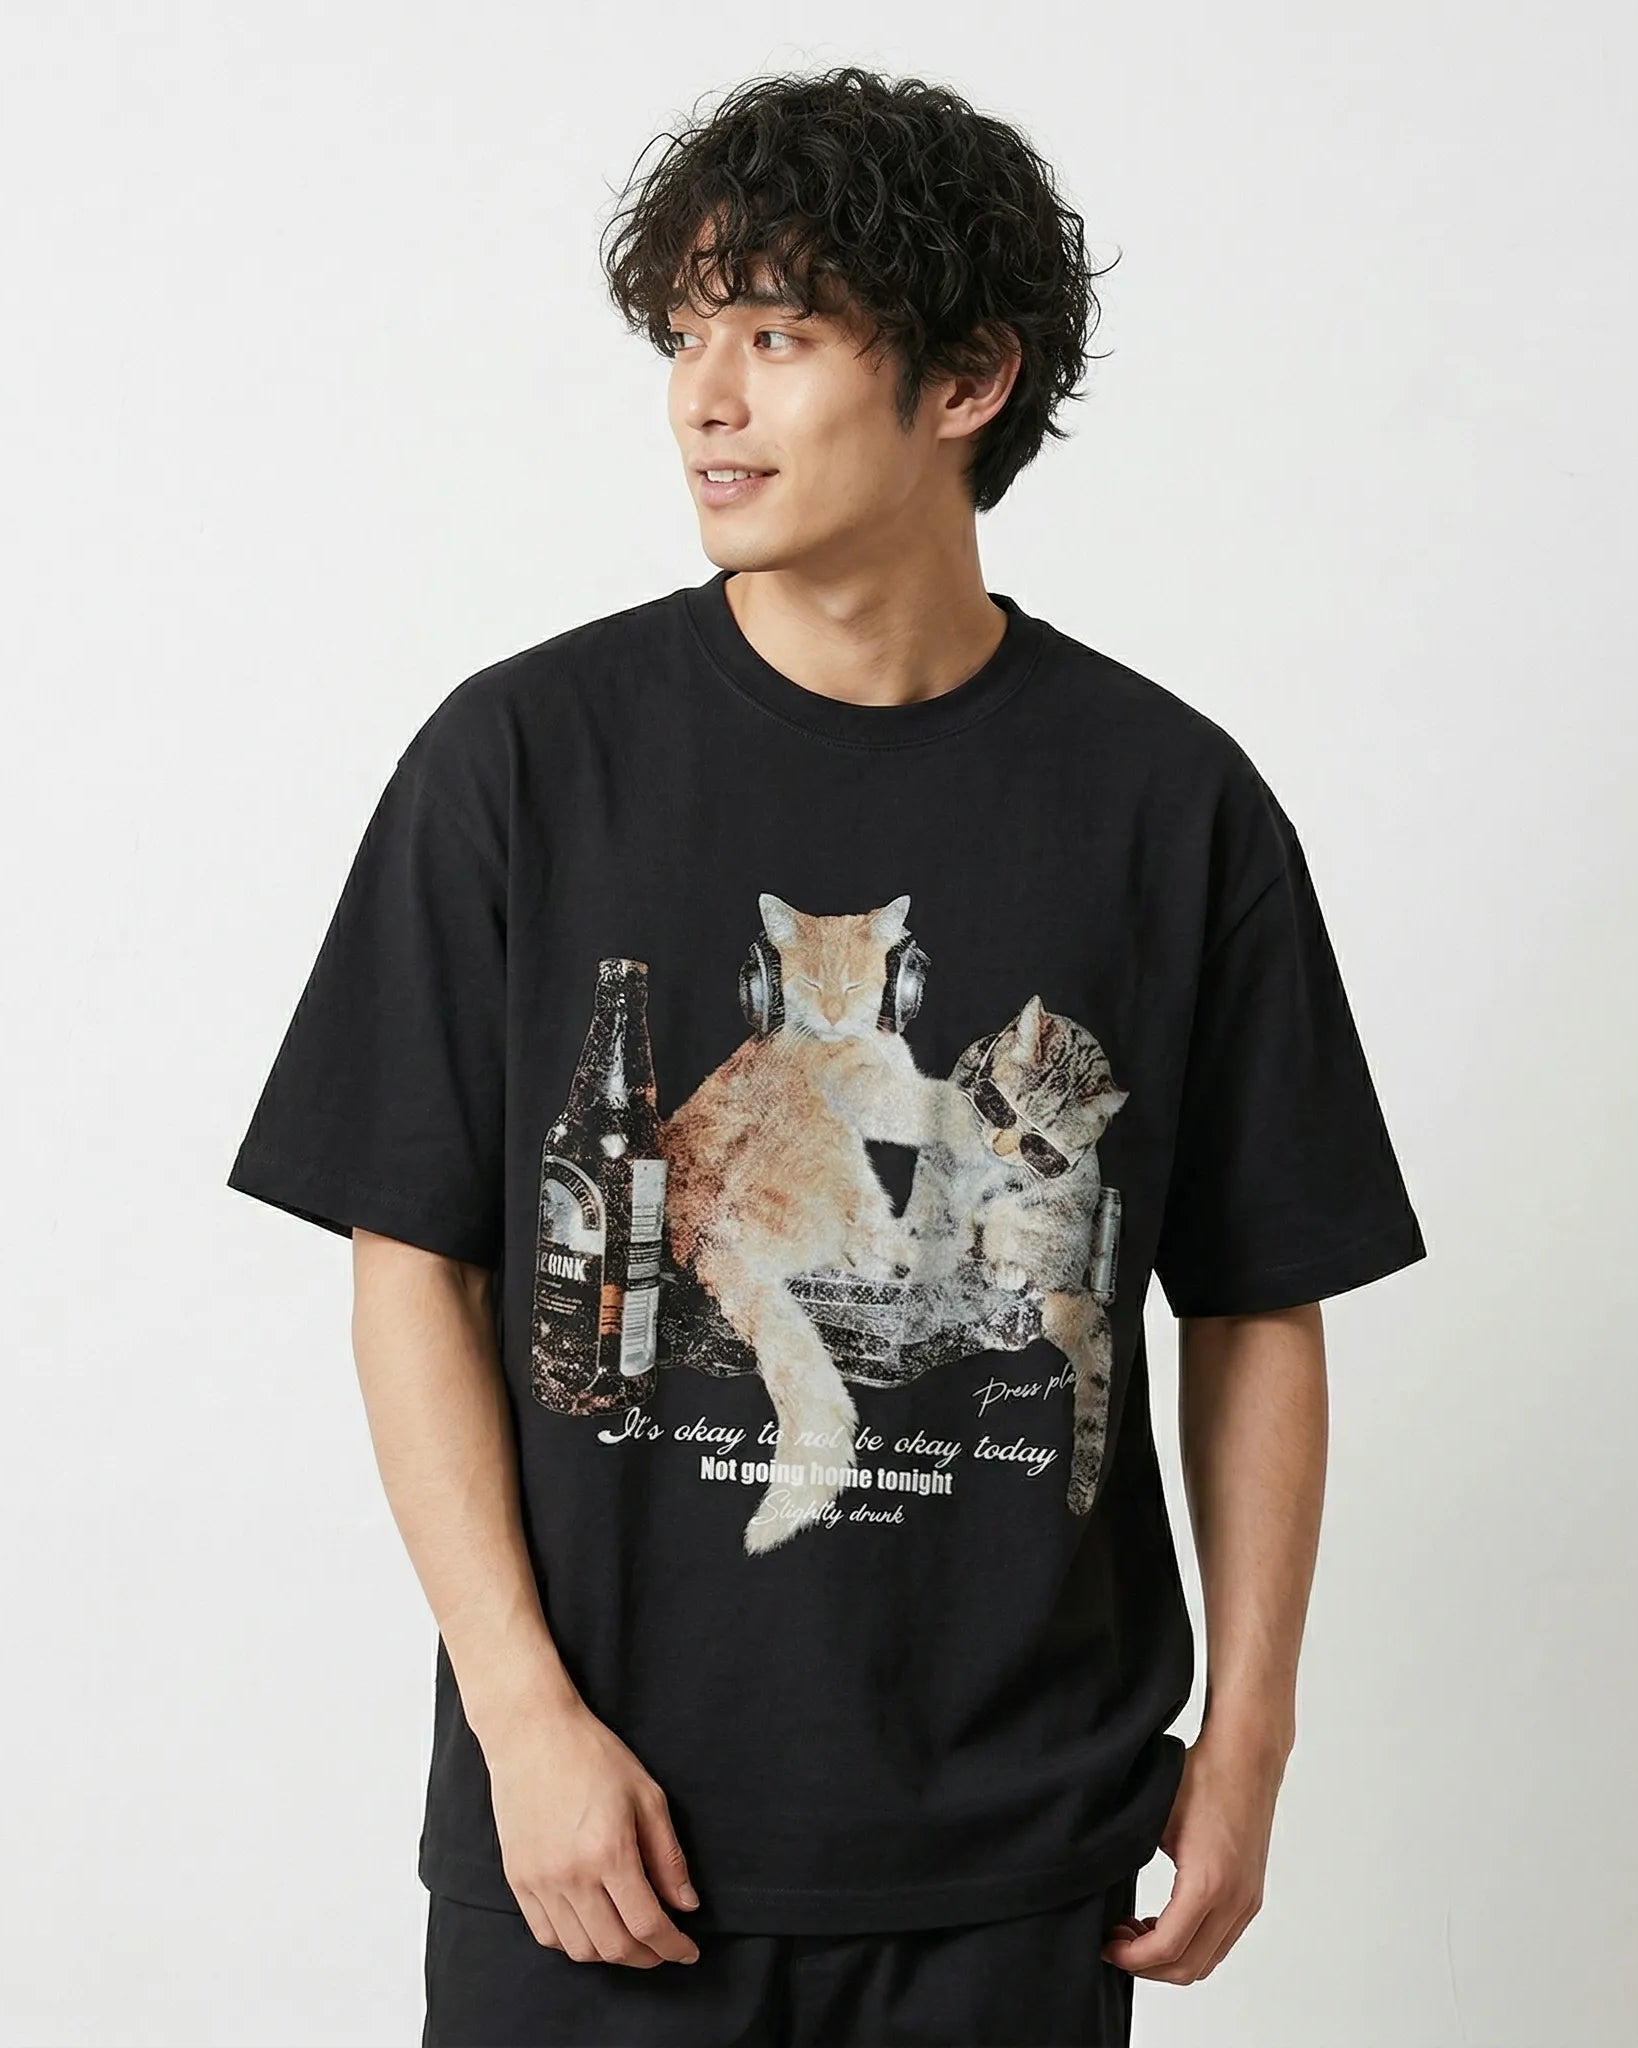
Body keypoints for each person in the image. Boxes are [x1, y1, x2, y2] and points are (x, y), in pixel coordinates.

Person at [226, 64, 1427, 2048]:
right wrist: (523, 1722)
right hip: (597, 1846)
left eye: (776, 337)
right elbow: (411, 1261)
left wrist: (1251, 1744)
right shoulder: (521, 764)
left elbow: (1257, 1304)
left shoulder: (1167, 805)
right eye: (684, 338)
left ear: (966, 380)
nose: (704, 400)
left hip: (1013, 1861)